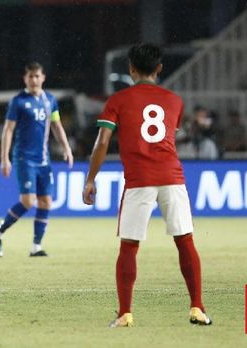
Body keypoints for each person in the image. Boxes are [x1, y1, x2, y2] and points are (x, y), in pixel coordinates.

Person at [82, 44, 212, 327]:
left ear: (130, 69)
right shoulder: (174, 101)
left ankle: (125, 313)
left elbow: (103, 142)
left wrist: (91, 179)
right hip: (171, 177)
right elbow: (166, 135)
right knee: (185, 242)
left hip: (139, 179)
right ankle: (197, 308)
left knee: (129, 247)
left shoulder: (117, 100)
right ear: (160, 68)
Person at [0, 62, 73, 257]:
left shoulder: (50, 100)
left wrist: (66, 148)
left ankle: (36, 247)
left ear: (43, 78)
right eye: (30, 76)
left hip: (44, 160)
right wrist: (4, 158)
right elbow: (8, 130)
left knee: (45, 202)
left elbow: (57, 126)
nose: (34, 80)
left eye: (37, 76)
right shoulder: (18, 101)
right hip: (24, 158)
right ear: (25, 79)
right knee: (27, 201)